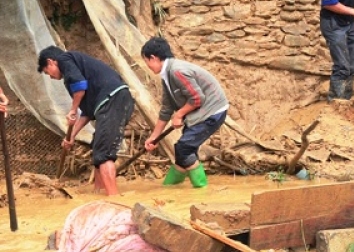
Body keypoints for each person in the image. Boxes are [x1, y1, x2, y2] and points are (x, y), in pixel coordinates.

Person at [37, 46, 134, 196]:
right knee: (98, 147)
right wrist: (71, 136)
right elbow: (87, 113)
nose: (50, 76)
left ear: (51, 62)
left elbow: (80, 87)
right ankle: (98, 192)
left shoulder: (65, 59)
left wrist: (73, 109)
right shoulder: (75, 71)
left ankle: (114, 198)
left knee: (104, 154)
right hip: (114, 101)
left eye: (47, 71)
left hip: (112, 99)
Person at [141, 36, 228, 188]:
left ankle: (202, 189)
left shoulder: (177, 71)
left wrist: (180, 114)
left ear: (153, 58)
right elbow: (166, 108)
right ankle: (169, 189)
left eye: (146, 61)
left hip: (212, 112)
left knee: (183, 147)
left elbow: (197, 98)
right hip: (200, 114)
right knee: (184, 152)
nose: (147, 65)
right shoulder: (166, 75)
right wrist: (154, 137)